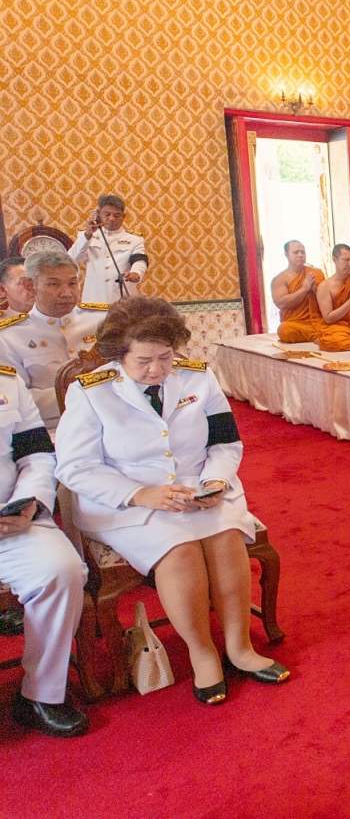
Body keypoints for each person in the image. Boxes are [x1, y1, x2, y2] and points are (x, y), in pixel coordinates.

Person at [55, 297, 290, 705]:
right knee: (179, 549)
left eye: (165, 357)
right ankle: (203, 654)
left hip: (197, 489)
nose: (157, 369)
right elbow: (75, 467)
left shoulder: (198, 377)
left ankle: (239, 649)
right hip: (126, 501)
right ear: (118, 355)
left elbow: (225, 442)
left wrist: (215, 482)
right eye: (144, 361)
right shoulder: (90, 392)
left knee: (226, 538)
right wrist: (140, 494)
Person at [0, 369, 90, 736]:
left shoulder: (6, 383)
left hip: (11, 519)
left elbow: (37, 453)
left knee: (62, 570)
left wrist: (29, 502)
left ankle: (41, 693)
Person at [0, 249, 107, 431]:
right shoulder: (9, 337)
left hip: (110, 424)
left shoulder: (104, 320)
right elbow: (16, 399)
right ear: (30, 286)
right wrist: (80, 394)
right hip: (54, 430)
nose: (67, 293)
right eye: (54, 284)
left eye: (72, 283)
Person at [68, 194, 147, 304]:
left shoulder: (134, 238)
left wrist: (136, 272)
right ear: (99, 213)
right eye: (107, 214)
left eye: (117, 215)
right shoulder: (86, 235)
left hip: (122, 298)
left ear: (124, 216)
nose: (112, 219)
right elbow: (72, 259)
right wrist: (88, 235)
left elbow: (139, 259)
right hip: (94, 298)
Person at [271, 240, 324, 343]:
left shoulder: (316, 273)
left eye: (303, 252)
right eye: (296, 252)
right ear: (286, 255)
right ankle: (319, 337)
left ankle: (320, 335)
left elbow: (327, 300)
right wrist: (304, 290)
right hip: (296, 324)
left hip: (318, 321)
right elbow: (281, 303)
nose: (300, 255)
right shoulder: (279, 279)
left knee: (338, 326)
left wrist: (314, 289)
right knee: (284, 330)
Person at [316, 244, 350, 352]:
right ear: (334, 260)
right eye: (346, 260)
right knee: (332, 342)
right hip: (338, 327)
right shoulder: (325, 286)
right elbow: (328, 318)